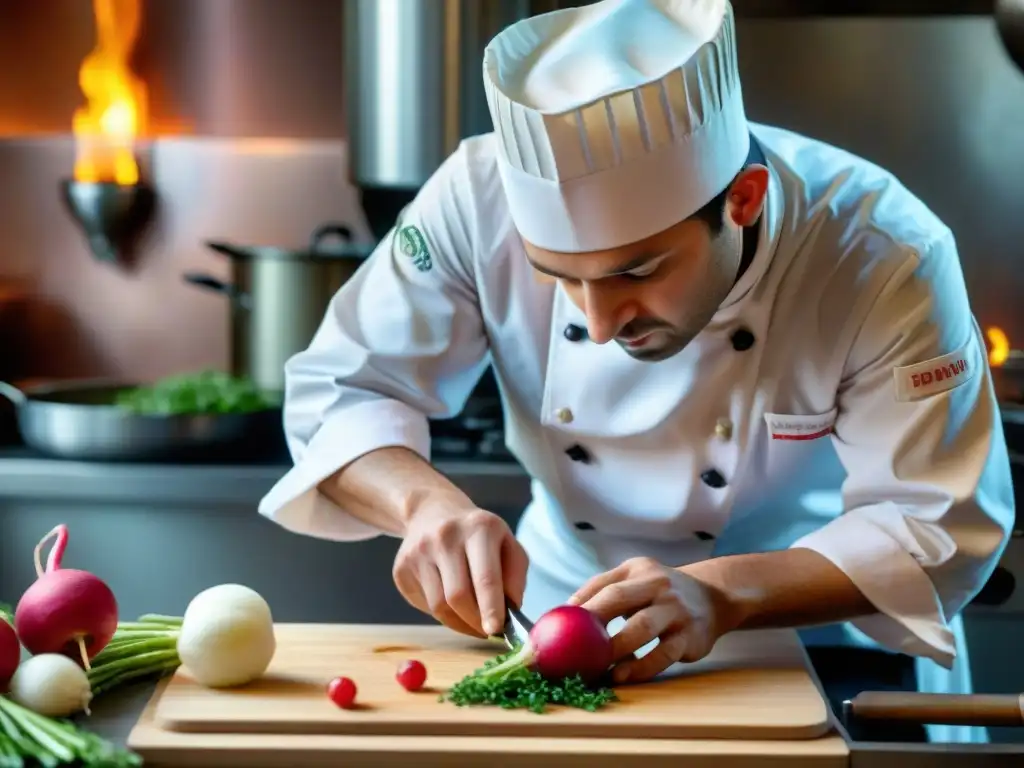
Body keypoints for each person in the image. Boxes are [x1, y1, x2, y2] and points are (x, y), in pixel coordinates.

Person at [258, 0, 1014, 744]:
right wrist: (423, 507)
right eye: (558, 276)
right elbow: (344, 387)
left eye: (638, 272)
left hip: (823, 639)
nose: (597, 319)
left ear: (742, 201)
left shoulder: (884, 253)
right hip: (564, 634)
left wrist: (723, 593)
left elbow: (939, 523)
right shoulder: (475, 198)